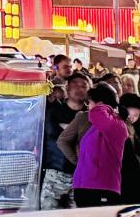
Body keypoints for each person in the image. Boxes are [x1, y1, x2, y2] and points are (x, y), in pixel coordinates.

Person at [65, 84, 127, 206]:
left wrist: (102, 106)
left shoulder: (116, 124)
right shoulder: (97, 126)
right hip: (86, 187)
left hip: (101, 187)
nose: (88, 107)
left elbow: (96, 113)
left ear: (100, 104)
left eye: (89, 102)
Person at [43, 72, 90, 208]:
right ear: (67, 88)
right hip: (55, 172)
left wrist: (67, 129)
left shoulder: (91, 115)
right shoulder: (54, 111)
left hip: (82, 175)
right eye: (75, 85)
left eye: (83, 86)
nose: (79, 88)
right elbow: (53, 134)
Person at [119, 93, 140, 203]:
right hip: (122, 177)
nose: (132, 119)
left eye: (136, 115)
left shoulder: (136, 128)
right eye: (129, 115)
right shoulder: (116, 126)